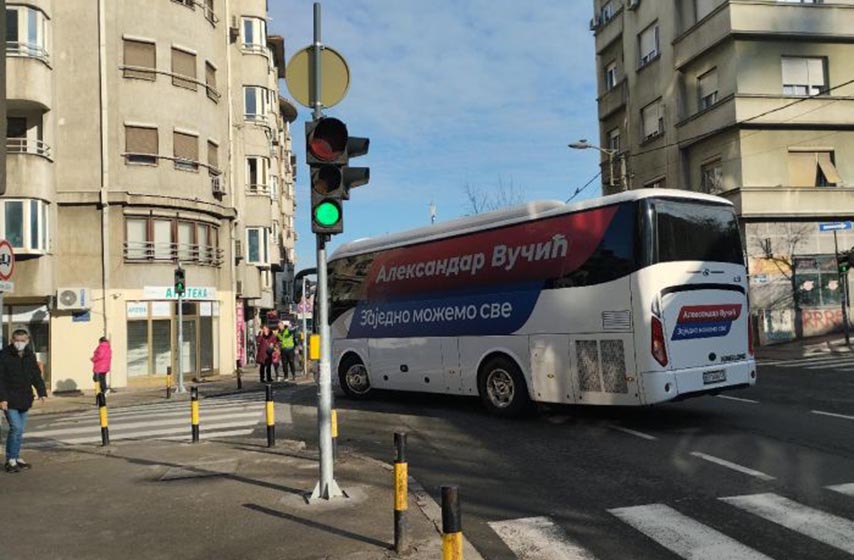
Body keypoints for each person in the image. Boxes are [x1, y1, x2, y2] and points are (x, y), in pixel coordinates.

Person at [0, 329, 48, 473]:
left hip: (25, 398)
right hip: (9, 398)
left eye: (23, 340)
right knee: (16, 428)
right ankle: (10, 460)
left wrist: (42, 392)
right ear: (12, 340)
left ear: (27, 341)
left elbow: (35, 375)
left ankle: (16, 457)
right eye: (17, 340)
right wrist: (2, 398)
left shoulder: (29, 355)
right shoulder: (4, 355)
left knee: (20, 431)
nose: (19, 343)